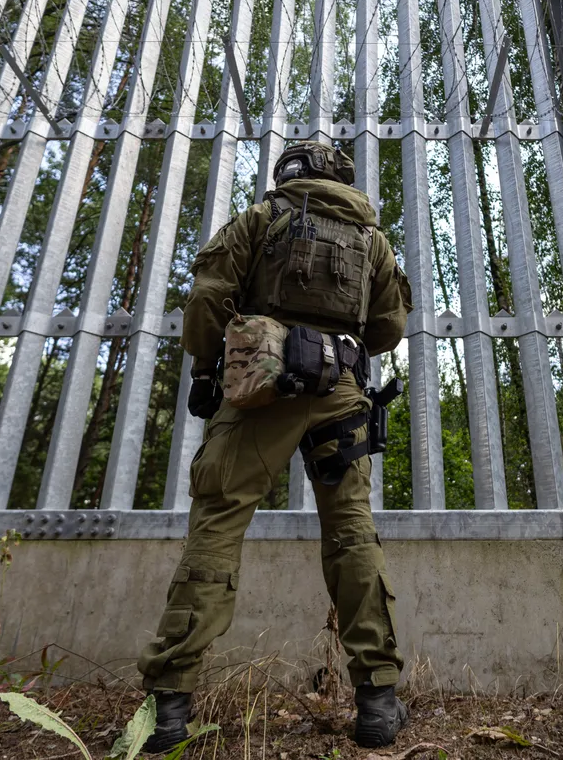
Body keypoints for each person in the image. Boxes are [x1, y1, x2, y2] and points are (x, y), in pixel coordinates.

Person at [138, 140, 414, 753]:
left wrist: (209, 369)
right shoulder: (372, 237)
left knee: (218, 523)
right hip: (341, 392)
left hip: (259, 393)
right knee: (350, 531)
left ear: (288, 173)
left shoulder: (258, 219)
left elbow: (210, 299)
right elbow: (389, 329)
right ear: (338, 176)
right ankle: (377, 702)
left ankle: (170, 711)